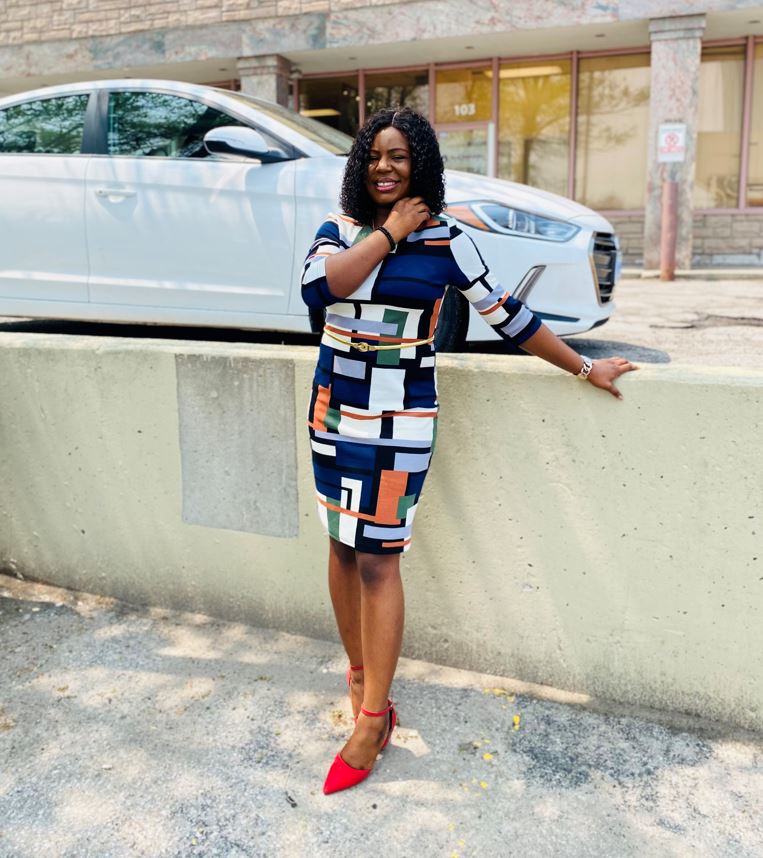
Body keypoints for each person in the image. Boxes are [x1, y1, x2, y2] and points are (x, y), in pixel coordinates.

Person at [300, 107, 637, 795]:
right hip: (334, 407)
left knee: (376, 560)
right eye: (374, 156)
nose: (385, 167)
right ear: (360, 165)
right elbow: (320, 288)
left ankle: (370, 721)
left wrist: (583, 367)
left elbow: (509, 316)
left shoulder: (450, 240)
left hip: (398, 414)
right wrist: (389, 236)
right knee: (338, 548)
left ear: (420, 164)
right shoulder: (337, 233)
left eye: (399, 156)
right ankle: (362, 677)